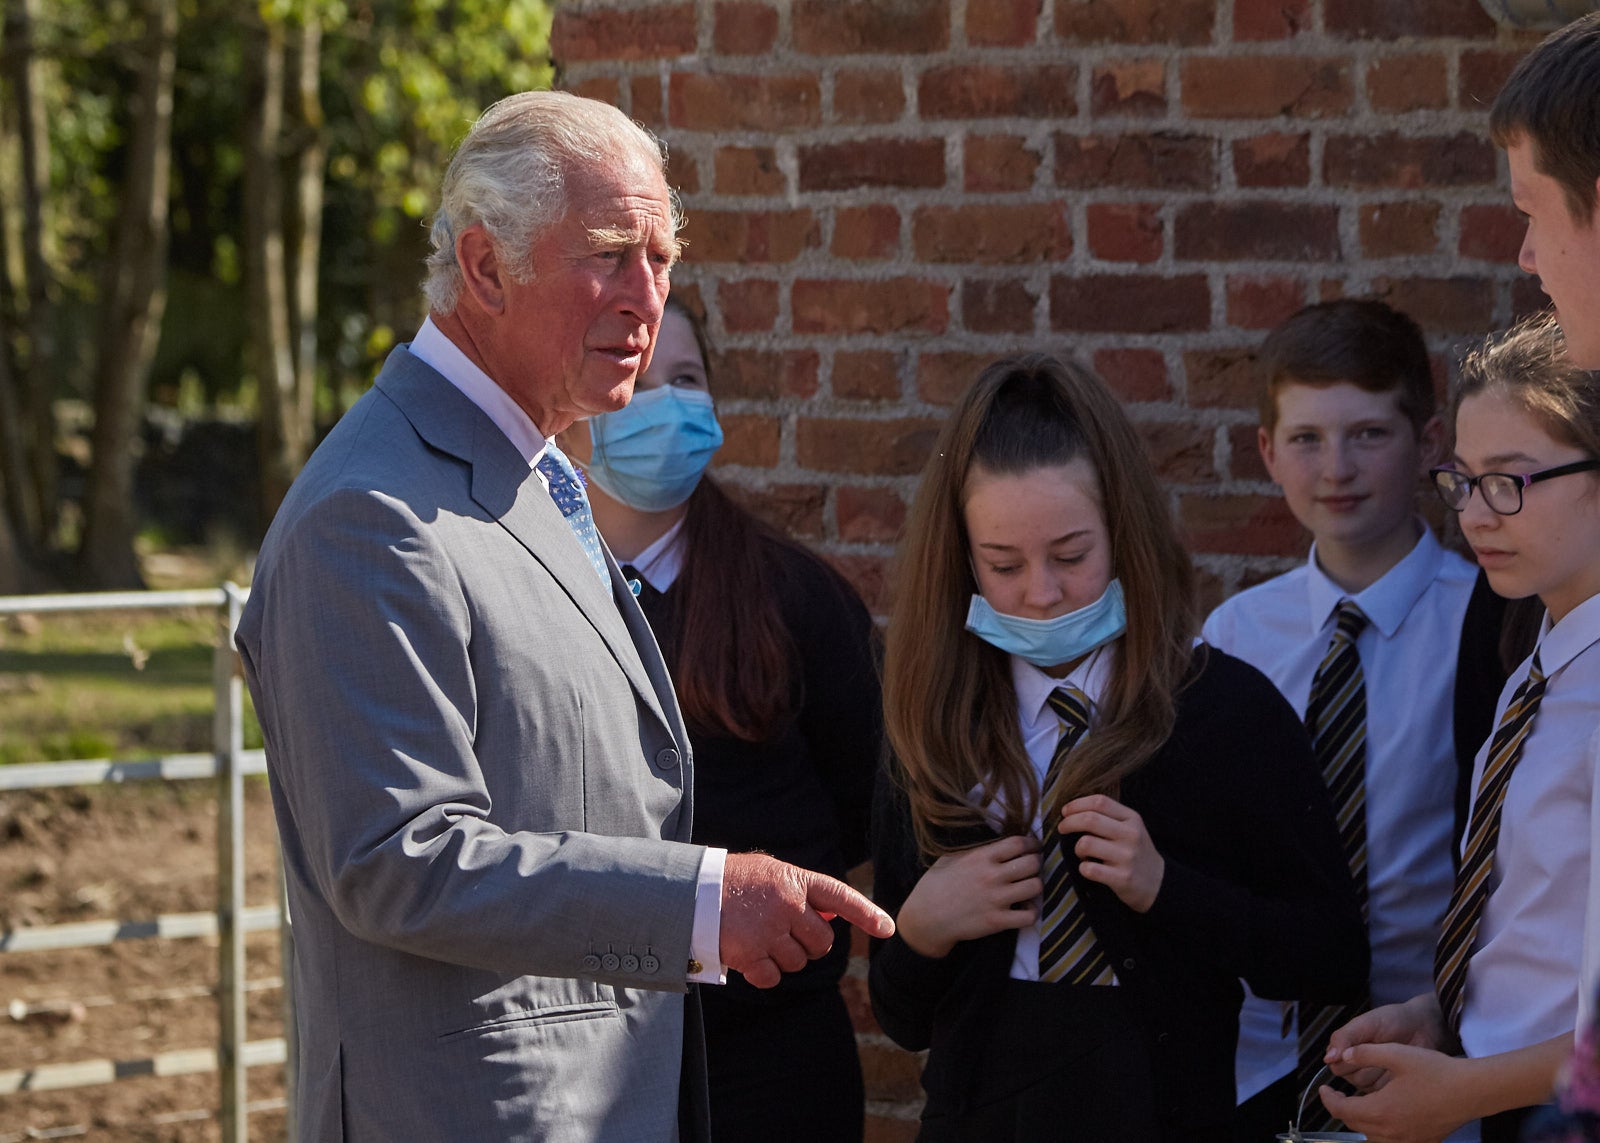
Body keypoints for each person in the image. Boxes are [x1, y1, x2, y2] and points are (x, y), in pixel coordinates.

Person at [234, 90, 892, 1142]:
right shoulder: (370, 514)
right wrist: (695, 903)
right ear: (487, 268)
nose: (647, 296)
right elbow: (396, 858)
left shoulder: (525, 474)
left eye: (662, 255)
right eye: (609, 253)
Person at [868, 353, 1367, 1142]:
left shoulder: (1222, 712)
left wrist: (1167, 887)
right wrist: (923, 927)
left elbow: (1332, 957)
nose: (1041, 591)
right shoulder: (934, 722)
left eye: (1071, 554)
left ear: (1123, 533)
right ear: (962, 559)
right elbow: (902, 1014)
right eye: (1003, 564)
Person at [558, 295, 880, 1142]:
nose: (665, 402)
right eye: (636, 379)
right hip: (577, 1064)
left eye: (688, 379)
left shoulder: (797, 602)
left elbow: (865, 812)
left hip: (771, 1069)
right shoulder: (522, 594)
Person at [1199, 299, 1477, 1141]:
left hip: (1436, 1063)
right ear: (1267, 452)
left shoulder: (1491, 625)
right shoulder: (1231, 639)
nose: (1337, 468)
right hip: (1256, 1066)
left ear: (1429, 444)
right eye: (1308, 439)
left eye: (1369, 433)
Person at [1320, 315, 1600, 1143]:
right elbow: (1534, 930)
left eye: (1510, 480)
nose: (1476, 513)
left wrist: (1465, 1088)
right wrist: (1441, 1016)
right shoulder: (1536, 662)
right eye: (1462, 481)